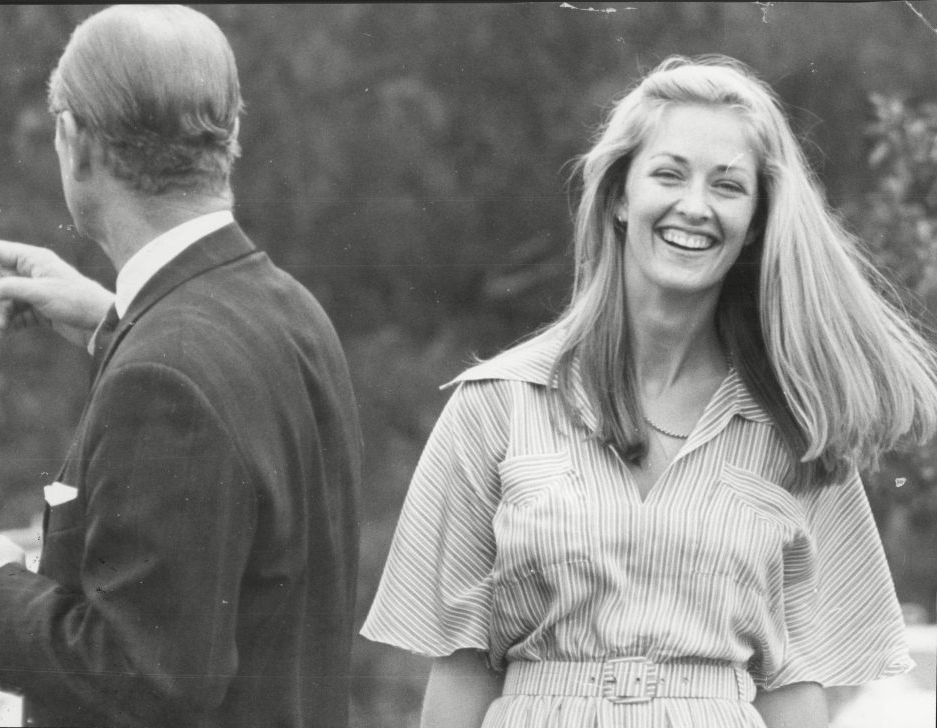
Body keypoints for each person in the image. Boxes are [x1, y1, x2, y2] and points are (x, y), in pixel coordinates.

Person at [361, 55, 937, 728]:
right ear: (618, 197)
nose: (695, 207)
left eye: (728, 186)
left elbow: (793, 680)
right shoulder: (497, 405)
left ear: (755, 222)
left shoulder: (797, 428)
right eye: (669, 174)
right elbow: (461, 665)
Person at [0, 6, 361, 728]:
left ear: (76, 144)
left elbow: (144, 674)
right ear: (230, 136)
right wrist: (115, 326)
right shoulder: (291, 310)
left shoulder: (165, 378)